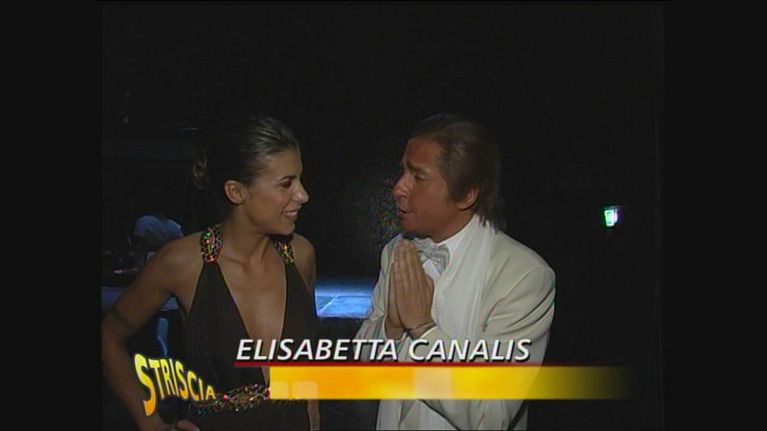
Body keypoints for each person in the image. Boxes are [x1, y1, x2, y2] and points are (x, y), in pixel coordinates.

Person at [102, 114, 320, 431]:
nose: (303, 195)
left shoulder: (301, 256)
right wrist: (152, 425)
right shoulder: (181, 263)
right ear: (236, 192)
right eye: (287, 184)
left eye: (300, 179)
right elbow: (109, 337)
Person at [355, 113, 556, 430]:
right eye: (402, 172)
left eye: (418, 177)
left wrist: (423, 330)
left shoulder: (523, 276)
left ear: (467, 195)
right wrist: (391, 327)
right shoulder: (396, 251)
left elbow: (489, 416)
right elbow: (363, 366)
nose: (398, 188)